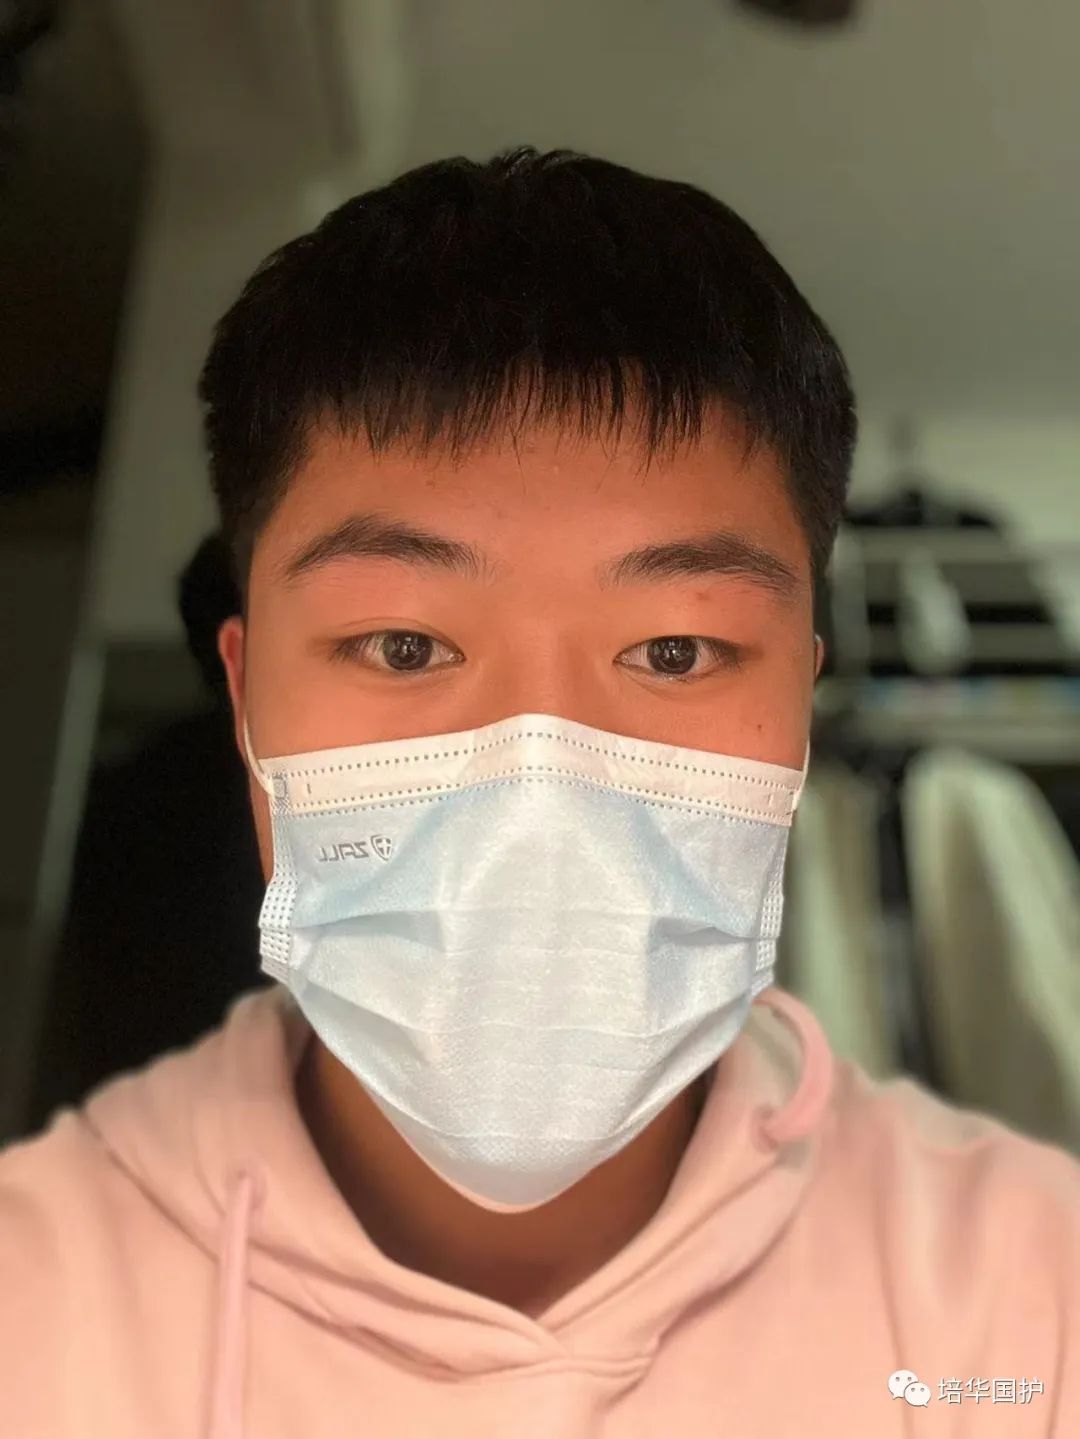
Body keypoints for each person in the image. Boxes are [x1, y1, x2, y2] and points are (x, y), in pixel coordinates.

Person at [1, 147, 1076, 1437]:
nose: (538, 787)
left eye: (673, 651)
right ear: (244, 703)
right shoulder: (30, 1303)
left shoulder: (1032, 1304)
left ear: (800, 706)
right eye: (405, 645)